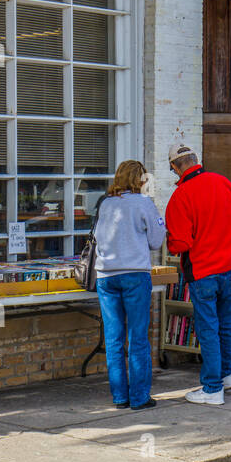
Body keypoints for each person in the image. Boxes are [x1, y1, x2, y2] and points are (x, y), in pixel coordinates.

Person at [164, 142, 231, 405]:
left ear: (176, 167)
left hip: (203, 270)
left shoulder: (181, 196)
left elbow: (181, 243)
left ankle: (212, 389)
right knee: (224, 324)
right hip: (228, 267)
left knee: (207, 328)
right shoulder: (223, 183)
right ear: (196, 160)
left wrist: (169, 240)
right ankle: (226, 375)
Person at [93, 159, 166, 411]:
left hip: (106, 276)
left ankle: (119, 397)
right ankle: (139, 397)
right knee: (138, 337)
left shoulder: (105, 203)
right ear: (140, 180)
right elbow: (157, 241)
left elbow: (98, 238)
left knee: (113, 339)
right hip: (135, 274)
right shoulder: (144, 203)